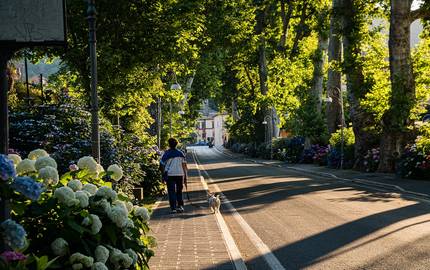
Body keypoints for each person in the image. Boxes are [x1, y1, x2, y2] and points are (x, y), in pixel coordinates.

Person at [160, 138, 188, 213]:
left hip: (170, 175)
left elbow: (162, 164)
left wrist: (163, 175)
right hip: (180, 174)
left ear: (169, 144)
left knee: (171, 191)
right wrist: (185, 177)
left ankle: (173, 208)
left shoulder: (166, 154)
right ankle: (180, 206)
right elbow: (184, 166)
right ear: (176, 144)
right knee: (179, 191)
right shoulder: (181, 153)